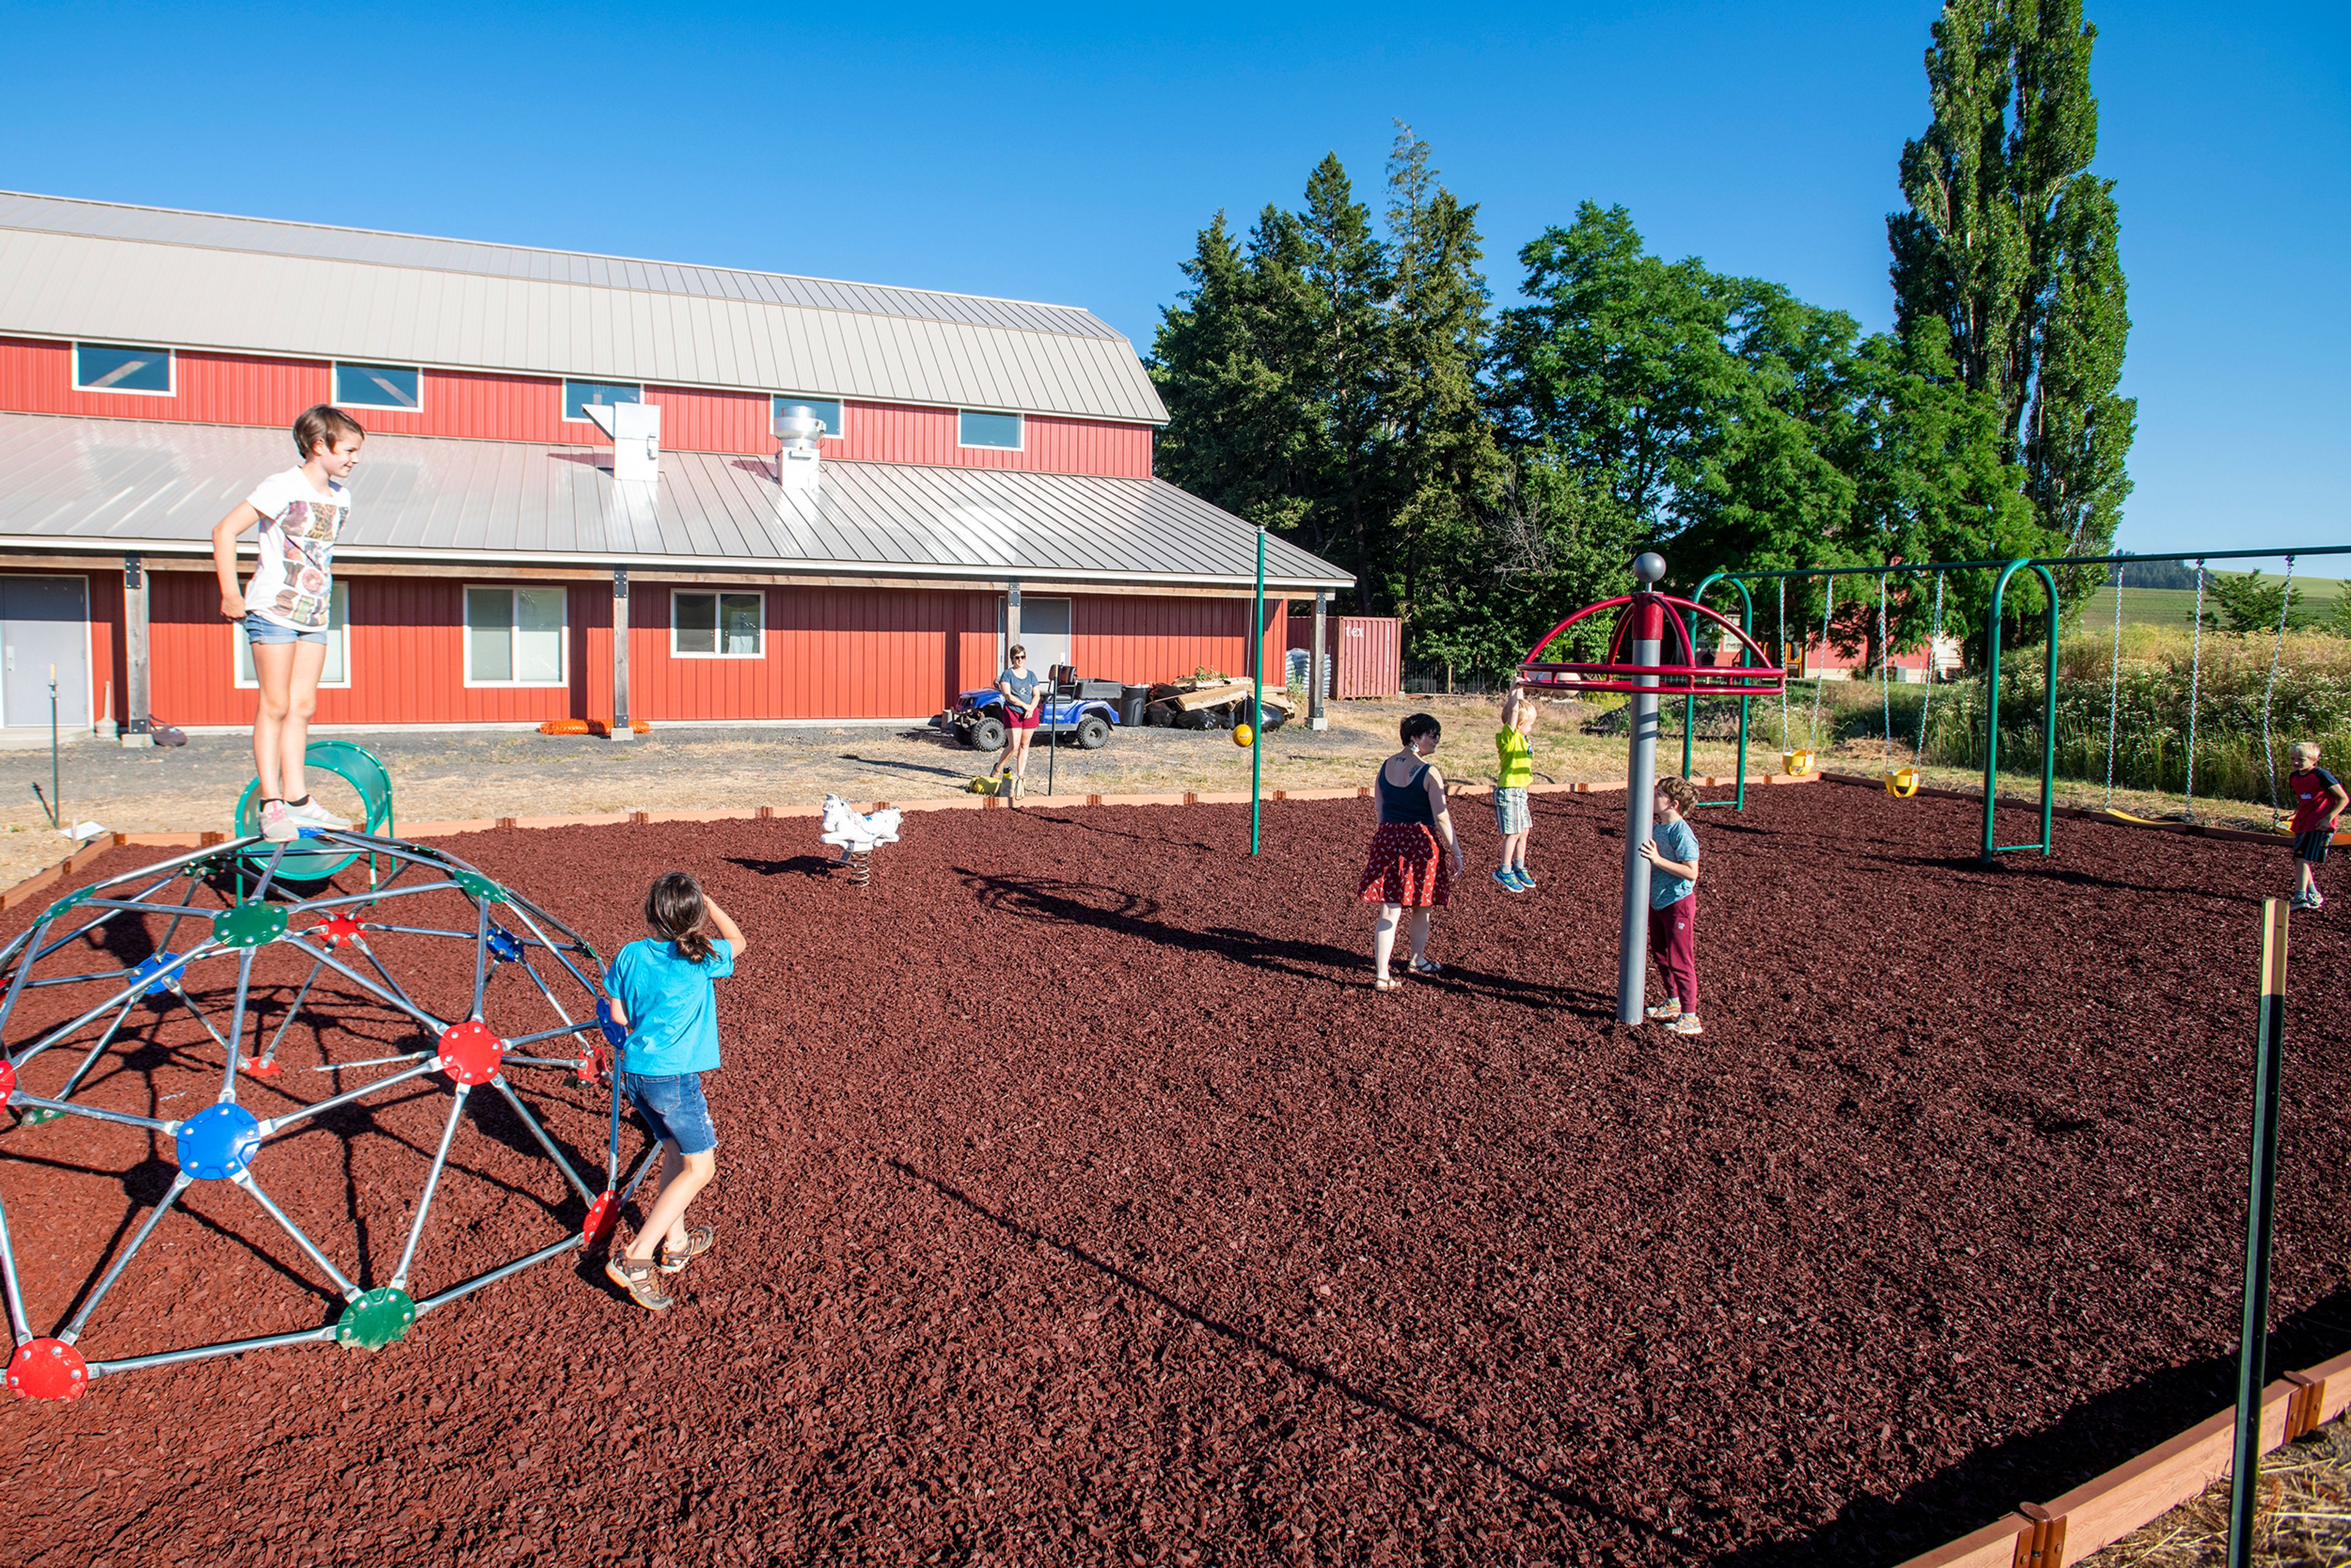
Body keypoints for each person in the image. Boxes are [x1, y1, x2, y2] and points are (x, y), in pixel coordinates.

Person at [212, 405, 366, 843]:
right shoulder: (282, 486)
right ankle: (271, 803)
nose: (355, 459)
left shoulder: (341, 497)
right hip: (273, 610)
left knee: (303, 706)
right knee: (275, 705)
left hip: (315, 613)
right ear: (320, 446)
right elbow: (224, 531)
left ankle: (299, 801)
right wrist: (231, 592)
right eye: (349, 450)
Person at [601, 872, 748, 1312]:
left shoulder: (629, 955)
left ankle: (677, 1241)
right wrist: (711, 902)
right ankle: (637, 1255)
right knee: (702, 1168)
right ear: (695, 915)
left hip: (637, 1075)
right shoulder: (703, 956)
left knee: (673, 1152)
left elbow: (618, 1014)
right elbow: (738, 940)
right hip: (676, 1079)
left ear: (652, 912)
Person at [1359, 712, 1463, 991]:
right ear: (1415, 738)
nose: (1437, 740)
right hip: (1419, 840)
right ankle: (1416, 959)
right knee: (1422, 904)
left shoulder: (1385, 766)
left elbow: (1380, 807)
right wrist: (1456, 851)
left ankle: (1383, 974)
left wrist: (1387, 836)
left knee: (1390, 909)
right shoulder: (1429, 772)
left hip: (1388, 836)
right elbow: (1441, 816)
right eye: (1432, 734)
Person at [1640, 776, 1704, 1035]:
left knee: (1680, 959)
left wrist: (1657, 860)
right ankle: (1673, 1002)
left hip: (1678, 904)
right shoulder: (1657, 829)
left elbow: (1691, 872)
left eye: (1658, 794)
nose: (1653, 797)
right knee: (1662, 955)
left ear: (1673, 804)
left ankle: (1690, 1017)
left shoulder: (1682, 834)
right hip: (1657, 903)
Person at [2285, 741, 2347, 911]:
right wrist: (2294, 814)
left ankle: (2300, 897)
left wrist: (2328, 818)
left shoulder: (2322, 775)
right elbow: (2306, 801)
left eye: (2301, 759)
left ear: (2313, 760)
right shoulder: (2294, 777)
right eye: (2292, 758)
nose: (2296, 762)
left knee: (2302, 857)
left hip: (2319, 823)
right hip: (2303, 822)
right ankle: (2313, 895)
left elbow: (2343, 799)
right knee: (2299, 859)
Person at [1493, 686, 1537, 891]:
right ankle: (1504, 869)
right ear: (1519, 724)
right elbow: (1514, 711)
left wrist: (1521, 691)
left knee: (1525, 831)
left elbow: (1518, 709)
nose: (1532, 728)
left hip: (1520, 791)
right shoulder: (1509, 739)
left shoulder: (1523, 738)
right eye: (1530, 724)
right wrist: (1513, 689)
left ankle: (1519, 866)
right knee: (1514, 832)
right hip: (1509, 791)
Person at [993, 644, 1046, 797]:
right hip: (1014, 711)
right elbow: (1008, 695)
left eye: (1022, 657)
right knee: (1014, 745)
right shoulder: (1007, 675)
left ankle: (1020, 776)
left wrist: (1031, 708)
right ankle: (998, 768)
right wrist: (1025, 706)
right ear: (1012, 659)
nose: (1020, 660)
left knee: (1025, 745)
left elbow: (1036, 694)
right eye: (1017, 657)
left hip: (1030, 713)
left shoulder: (1031, 675)